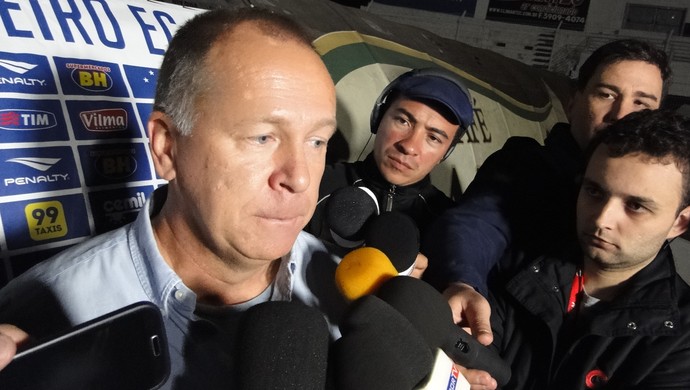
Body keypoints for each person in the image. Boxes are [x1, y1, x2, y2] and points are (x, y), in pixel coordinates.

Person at [0, 8, 345, 387]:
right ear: (167, 147)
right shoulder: (45, 311)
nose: (298, 177)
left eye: (317, 141)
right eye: (262, 137)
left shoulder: (340, 282)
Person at [423, 39, 671, 350]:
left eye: (641, 104)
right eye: (606, 94)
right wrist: (462, 280)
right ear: (573, 102)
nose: (620, 114)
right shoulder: (524, 167)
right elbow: (477, 225)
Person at [488, 109, 690, 389]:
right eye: (594, 192)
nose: (601, 220)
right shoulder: (517, 263)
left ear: (679, 224)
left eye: (636, 206)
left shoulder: (681, 341)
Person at [305, 67, 474, 276]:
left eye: (433, 138)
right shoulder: (316, 185)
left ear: (445, 154)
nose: (409, 146)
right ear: (379, 118)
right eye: (403, 121)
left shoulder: (449, 229)